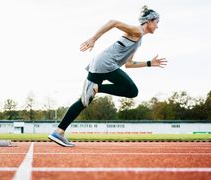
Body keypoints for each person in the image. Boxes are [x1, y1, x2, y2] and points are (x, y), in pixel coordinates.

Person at [48, 5, 167, 147]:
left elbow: (128, 64)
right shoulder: (137, 31)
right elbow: (113, 22)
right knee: (132, 90)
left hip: (100, 65)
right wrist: (93, 39)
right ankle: (98, 88)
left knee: (84, 101)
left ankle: (58, 132)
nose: (157, 26)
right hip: (106, 64)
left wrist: (148, 63)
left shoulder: (139, 39)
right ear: (149, 21)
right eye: (157, 22)